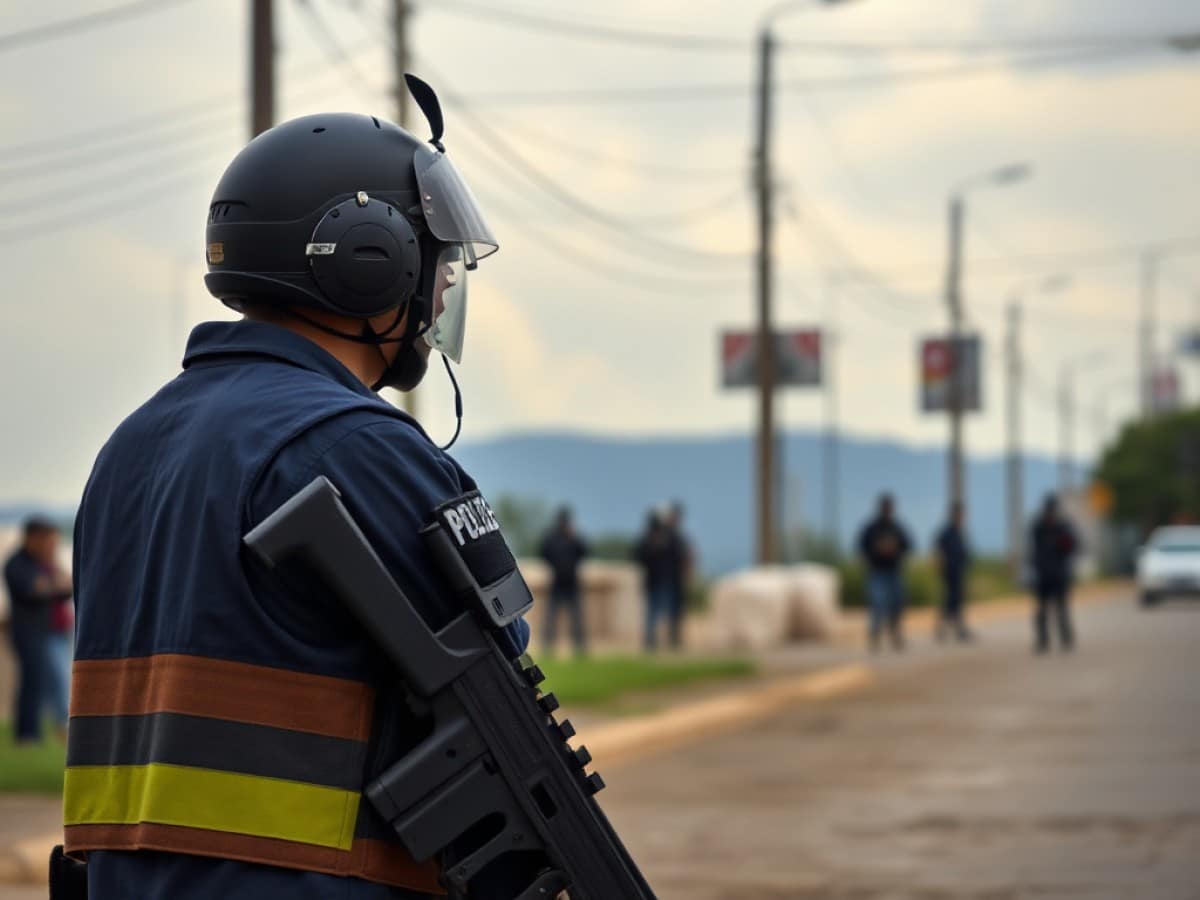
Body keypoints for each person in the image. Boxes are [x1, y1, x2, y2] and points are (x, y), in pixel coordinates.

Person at [64, 81, 532, 900]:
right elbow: (500, 688)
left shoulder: (129, 449)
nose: (445, 287)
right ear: (367, 257)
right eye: (434, 260)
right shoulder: (360, 448)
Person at [4, 517, 72, 744]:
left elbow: (67, 587)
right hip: (31, 633)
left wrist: (52, 582)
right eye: (49, 540)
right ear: (34, 538)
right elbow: (36, 590)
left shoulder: (47, 563)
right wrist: (53, 585)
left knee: (57, 680)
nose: (52, 545)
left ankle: (55, 728)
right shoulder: (17, 564)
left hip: (56, 631)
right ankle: (28, 733)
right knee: (35, 683)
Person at [857, 493, 912, 651]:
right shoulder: (872, 528)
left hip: (894, 572)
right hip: (877, 572)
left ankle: (895, 632)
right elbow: (862, 548)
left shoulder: (897, 528)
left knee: (897, 603)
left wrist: (895, 549)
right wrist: (877, 550)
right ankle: (875, 635)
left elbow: (908, 545)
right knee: (878, 604)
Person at [1029, 494, 1078, 653]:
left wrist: (1061, 544)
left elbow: (1072, 546)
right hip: (1043, 575)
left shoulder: (1063, 527)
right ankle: (1043, 640)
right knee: (1042, 611)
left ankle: (1065, 638)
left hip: (1059, 575)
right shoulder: (1038, 527)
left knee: (1061, 609)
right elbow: (1034, 551)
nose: (1050, 514)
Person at [539, 507, 589, 655]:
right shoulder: (552, 537)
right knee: (551, 617)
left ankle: (580, 647)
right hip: (557, 582)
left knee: (576, 618)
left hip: (572, 582)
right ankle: (548, 646)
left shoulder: (573, 537)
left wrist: (574, 537)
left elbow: (584, 551)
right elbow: (544, 552)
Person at [633, 509, 675, 652]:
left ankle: (656, 640)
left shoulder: (649, 539)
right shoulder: (662, 539)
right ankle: (655, 640)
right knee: (658, 613)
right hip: (660, 581)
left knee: (655, 613)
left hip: (657, 580)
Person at [934, 502, 973, 642]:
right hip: (949, 573)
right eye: (959, 514)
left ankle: (957, 629)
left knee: (957, 602)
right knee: (949, 602)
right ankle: (943, 629)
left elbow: (964, 554)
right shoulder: (946, 533)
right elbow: (939, 553)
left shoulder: (960, 533)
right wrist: (941, 569)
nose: (961, 517)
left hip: (959, 572)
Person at [662, 501, 694, 649]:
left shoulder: (680, 538)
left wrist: (688, 575)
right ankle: (671, 638)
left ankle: (675, 638)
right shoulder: (664, 537)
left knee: (677, 611)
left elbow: (688, 558)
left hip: (677, 580)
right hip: (667, 580)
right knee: (668, 611)